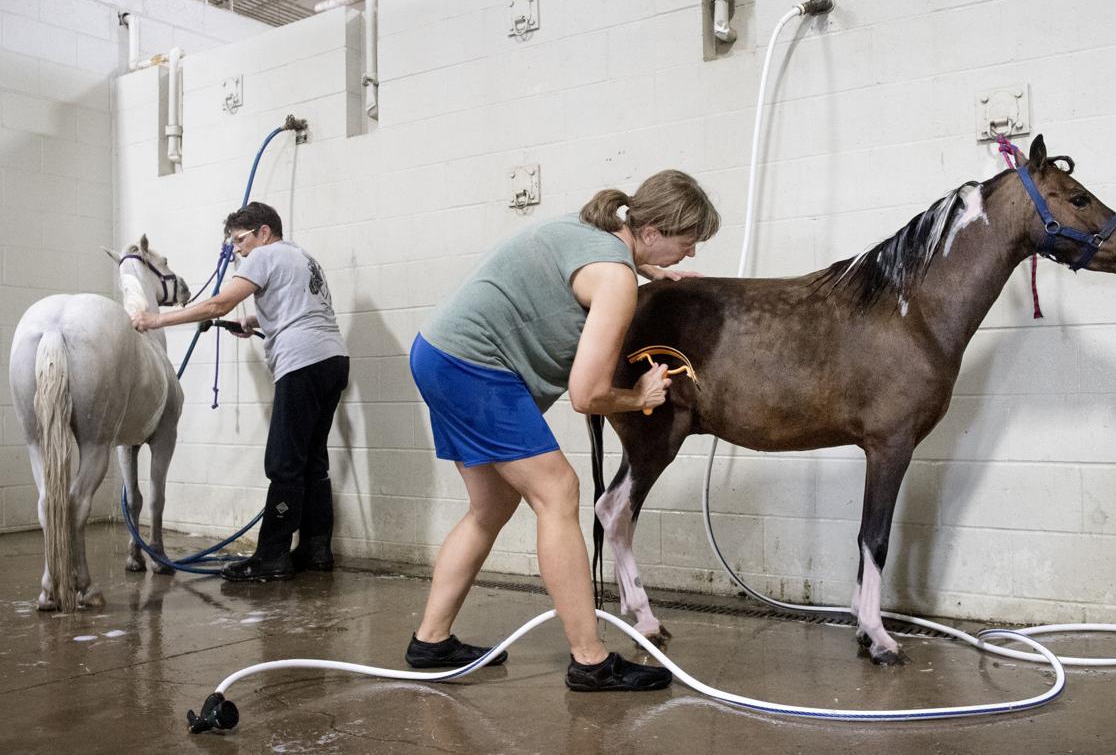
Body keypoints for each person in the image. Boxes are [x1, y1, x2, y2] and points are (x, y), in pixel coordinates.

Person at [406, 170, 720, 690]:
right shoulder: (615, 278)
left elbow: (605, 268)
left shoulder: (592, 234)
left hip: (439, 353)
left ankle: (431, 641)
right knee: (559, 491)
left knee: (491, 507)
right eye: (687, 243)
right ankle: (591, 660)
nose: (689, 256)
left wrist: (646, 270)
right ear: (655, 229)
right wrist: (638, 397)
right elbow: (587, 395)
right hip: (474, 368)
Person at [130, 202, 349, 582]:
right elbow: (299, 306)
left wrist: (156, 319)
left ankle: (272, 556)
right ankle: (316, 550)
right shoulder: (301, 256)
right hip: (332, 359)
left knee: (283, 462)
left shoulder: (264, 255)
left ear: (263, 232)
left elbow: (218, 302)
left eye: (240, 240)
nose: (238, 250)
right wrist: (254, 319)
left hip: (301, 362)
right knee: (313, 459)